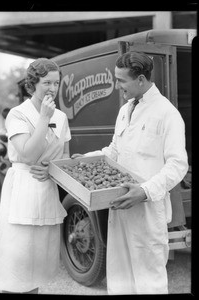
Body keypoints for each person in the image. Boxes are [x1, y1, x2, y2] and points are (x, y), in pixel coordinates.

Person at [72, 51, 188, 294]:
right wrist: (88, 159)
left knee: (149, 281)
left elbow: (178, 165)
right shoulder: (125, 110)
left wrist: (144, 191)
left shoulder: (167, 114)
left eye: (121, 80)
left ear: (142, 80)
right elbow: (115, 150)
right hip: (120, 207)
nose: (117, 86)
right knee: (120, 276)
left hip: (146, 211)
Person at [0, 58, 71, 294]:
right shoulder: (17, 114)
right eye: (47, 82)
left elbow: (65, 157)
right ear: (33, 84)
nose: (52, 89)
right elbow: (27, 155)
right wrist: (44, 118)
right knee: (16, 266)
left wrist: (52, 170)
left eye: (56, 83)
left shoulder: (61, 117)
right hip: (22, 189)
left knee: (37, 267)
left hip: (47, 189)